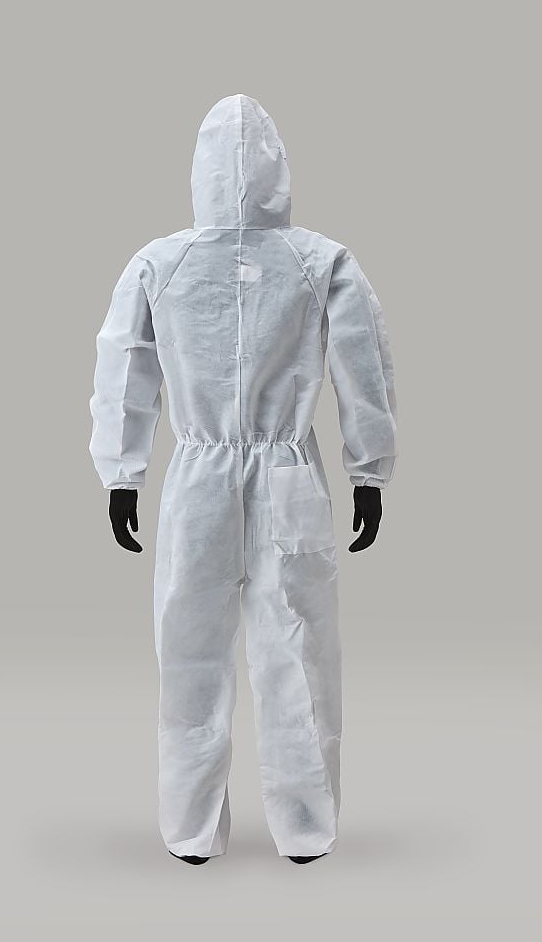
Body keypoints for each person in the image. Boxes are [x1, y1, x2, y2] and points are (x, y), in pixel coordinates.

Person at [90, 94, 397, 864]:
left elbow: (124, 369)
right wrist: (368, 470)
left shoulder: (159, 262)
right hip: (288, 474)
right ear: (278, 169)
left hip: (197, 477)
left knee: (189, 648)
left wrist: (123, 473)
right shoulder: (320, 259)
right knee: (298, 648)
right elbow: (364, 368)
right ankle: (306, 829)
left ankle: (190, 829)